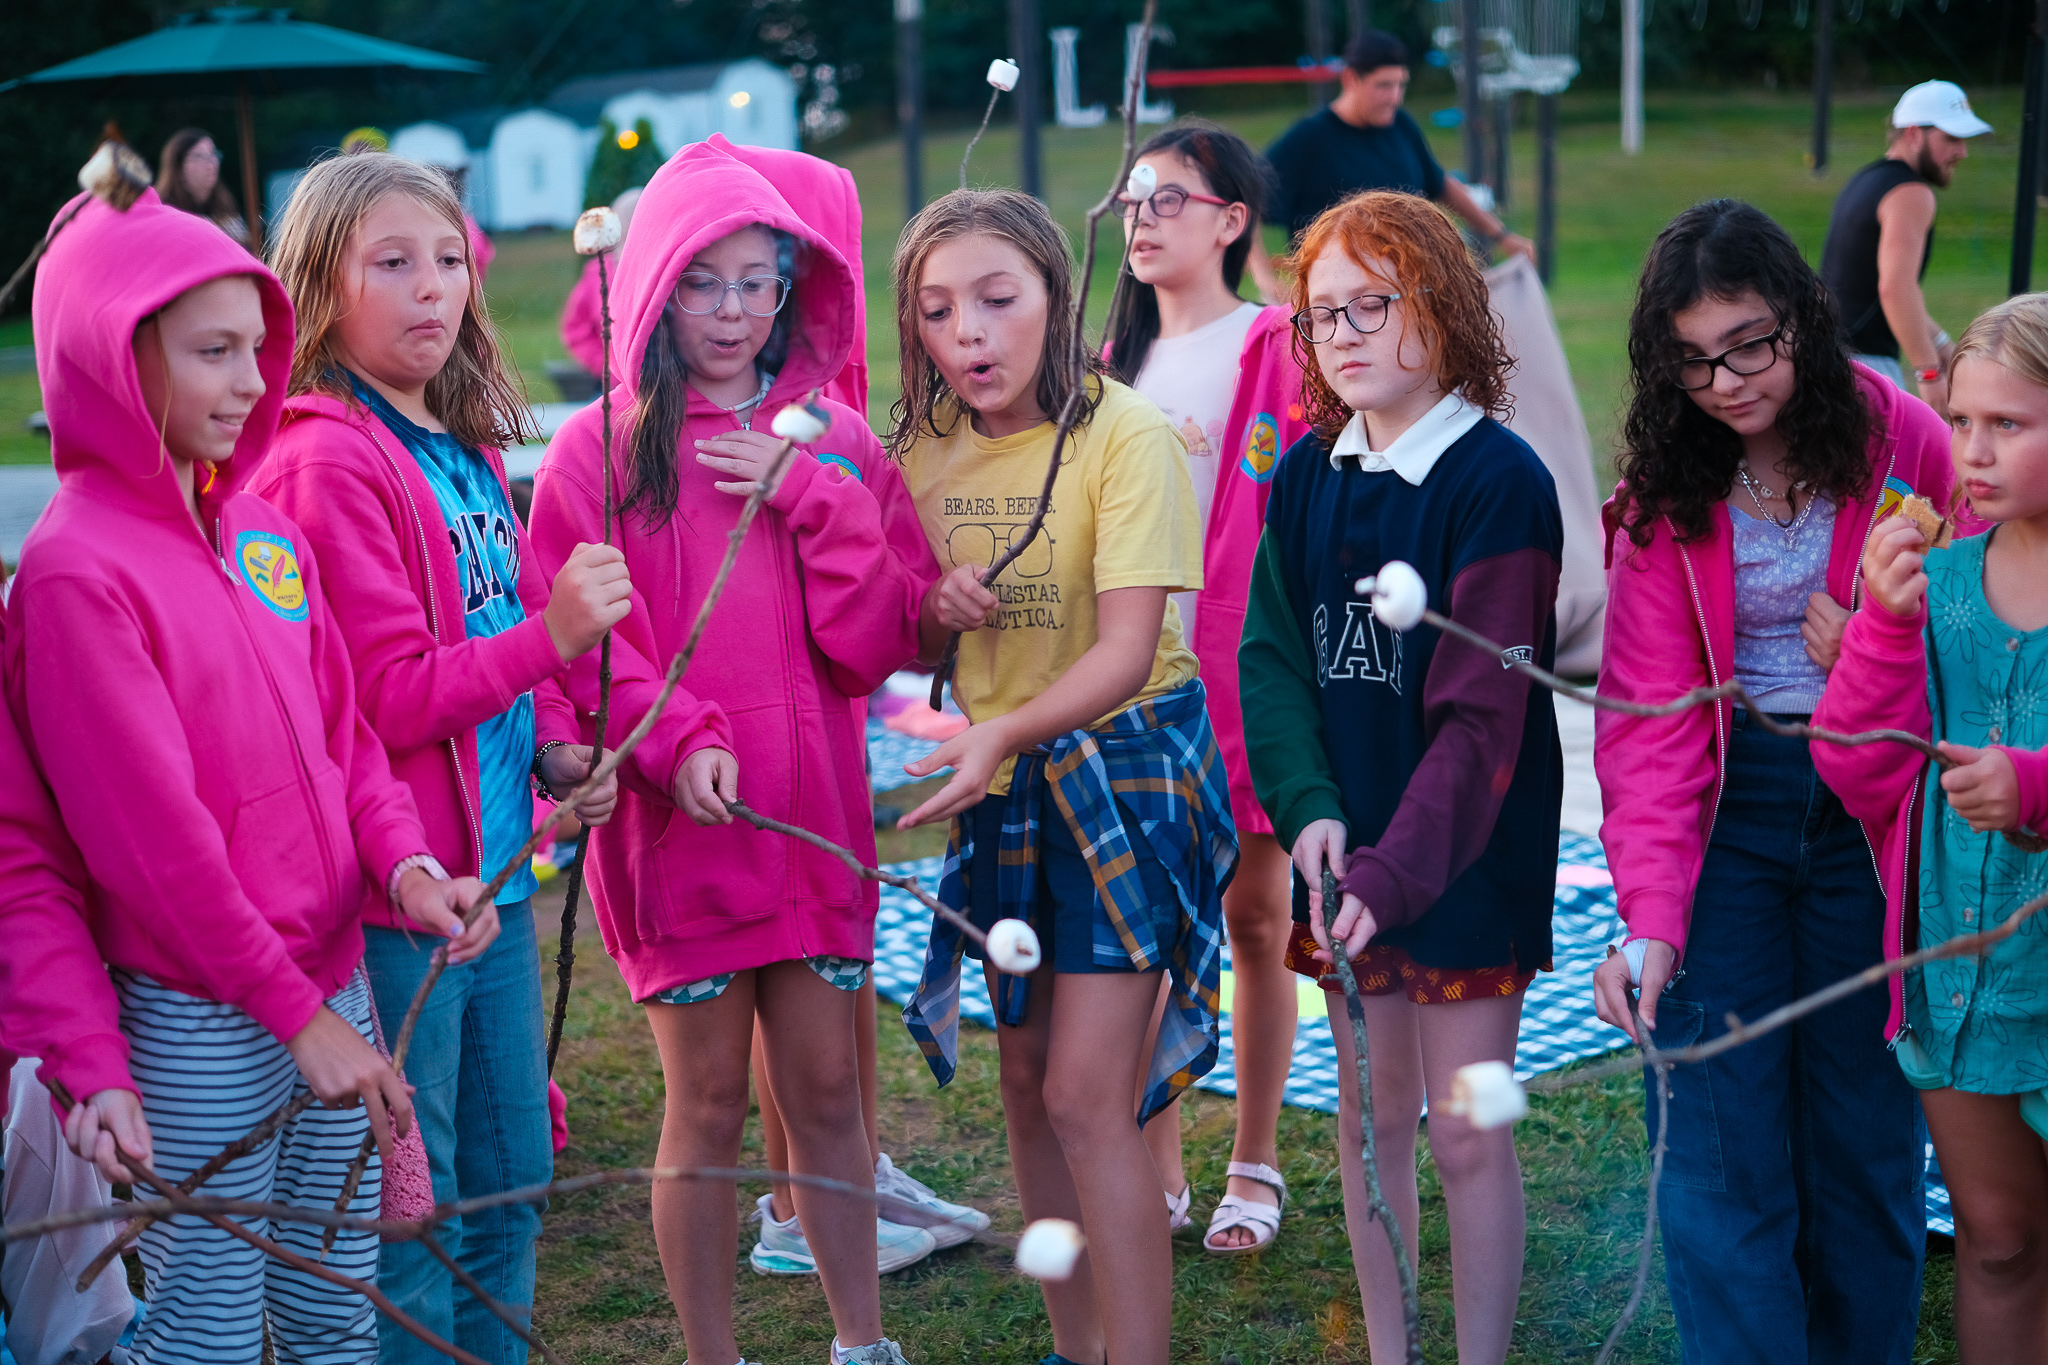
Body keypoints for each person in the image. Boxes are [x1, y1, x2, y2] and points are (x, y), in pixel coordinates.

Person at [8, 181, 492, 1365]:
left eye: (256, 349)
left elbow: (349, 744)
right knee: (209, 1328)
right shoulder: (79, 574)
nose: (247, 381)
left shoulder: (262, 533)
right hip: (204, 1016)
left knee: (336, 1306)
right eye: (211, 353)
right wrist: (294, 1018)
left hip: (333, 979)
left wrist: (411, 864)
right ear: (112, 363)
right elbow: (153, 847)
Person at [526, 140, 942, 1365]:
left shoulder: (838, 439)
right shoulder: (596, 454)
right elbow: (583, 650)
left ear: (791, 289)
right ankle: (714, 1353)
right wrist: (673, 748)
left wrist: (807, 489)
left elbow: (872, 646)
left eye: (758, 283)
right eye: (704, 283)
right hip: (678, 841)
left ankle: (860, 1340)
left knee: (826, 1100)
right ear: (655, 285)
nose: (733, 312)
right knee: (704, 1107)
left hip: (813, 837)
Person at [257, 150, 630, 1364]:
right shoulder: (326, 458)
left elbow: (502, 648)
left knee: (511, 1176)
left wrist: (558, 755)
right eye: (393, 263)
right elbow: (384, 699)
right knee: (421, 1206)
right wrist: (552, 638)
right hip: (398, 904)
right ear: (319, 286)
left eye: (451, 260)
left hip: (494, 888)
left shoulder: (458, 448)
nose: (434, 288)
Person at [1590, 199, 1951, 1365]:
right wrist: (1647, 917)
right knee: (1715, 1130)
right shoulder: (1661, 495)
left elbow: (1988, 621)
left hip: (1873, 804)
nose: (1727, 382)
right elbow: (1644, 729)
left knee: (1861, 1131)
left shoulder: (1901, 435)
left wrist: (1877, 646)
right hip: (1722, 811)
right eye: (1692, 361)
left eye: (1748, 343)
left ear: (1799, 316)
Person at [893, 187, 1237, 1365]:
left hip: (1126, 768)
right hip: (1005, 783)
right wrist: (928, 614)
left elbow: (1126, 650)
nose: (969, 334)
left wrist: (992, 736)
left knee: (1091, 1098)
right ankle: (1073, 1349)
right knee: (1030, 1086)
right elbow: (894, 630)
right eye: (938, 312)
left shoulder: (1124, 433)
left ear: (1057, 292)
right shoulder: (917, 450)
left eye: (997, 299)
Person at [1239, 190, 1559, 1364]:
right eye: (1325, 313)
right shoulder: (1307, 474)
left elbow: (1481, 725)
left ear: (1443, 304)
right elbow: (1269, 656)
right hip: (1346, 852)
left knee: (1466, 1127)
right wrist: (1310, 811)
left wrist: (1390, 865)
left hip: (1459, 856)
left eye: (1376, 302)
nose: (1347, 332)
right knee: (1374, 1127)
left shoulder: (1497, 482)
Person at [700, 135, 989, 1274]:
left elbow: (875, 620)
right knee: (791, 970)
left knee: (826, 954)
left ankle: (837, 1167)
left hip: (817, 731)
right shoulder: (769, 412)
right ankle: (804, 1193)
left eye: (767, 279)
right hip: (752, 755)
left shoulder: (836, 410)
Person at [1813, 293, 2048, 1360]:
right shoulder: (1936, 579)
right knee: (1997, 1243)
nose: (1972, 452)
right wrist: (1877, 630)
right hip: (1958, 983)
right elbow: (1859, 772)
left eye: (2008, 424)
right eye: (1960, 422)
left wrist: (2033, 789)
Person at [1103, 117, 1313, 1256]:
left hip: (1246, 674)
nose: (1141, 220)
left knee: (1255, 918)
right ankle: (1160, 1167)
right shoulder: (1110, 367)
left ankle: (1255, 1160)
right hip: (1132, 686)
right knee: (1145, 936)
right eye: (1132, 200)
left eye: (1167, 198)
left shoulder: (1277, 344)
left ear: (1231, 219)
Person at [1251, 31, 1531, 303]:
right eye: (1383, 86)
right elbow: (1245, 201)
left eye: (1401, 85)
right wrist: (1265, 279)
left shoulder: (1402, 126)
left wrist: (1502, 236)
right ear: (1351, 79)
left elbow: (1439, 184)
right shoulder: (1308, 139)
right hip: (1343, 304)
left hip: (1413, 292)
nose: (1395, 97)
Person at [1819, 79, 1993, 413]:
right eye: (1952, 138)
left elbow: (1880, 288)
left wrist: (1941, 343)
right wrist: (1928, 373)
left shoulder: (1865, 180)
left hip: (1829, 357)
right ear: (1913, 133)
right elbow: (1895, 289)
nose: (1962, 152)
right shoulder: (1911, 193)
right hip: (1864, 368)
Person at [561, 186, 645, 379]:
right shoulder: (597, 274)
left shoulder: (670, 271)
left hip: (667, 382)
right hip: (614, 385)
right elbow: (575, 328)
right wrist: (605, 365)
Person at [154, 127, 247, 243]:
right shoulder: (163, 212)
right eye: (199, 156)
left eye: (213, 154)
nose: (212, 162)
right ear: (178, 167)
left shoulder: (225, 205)